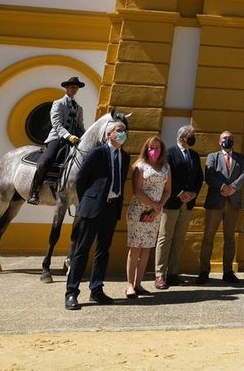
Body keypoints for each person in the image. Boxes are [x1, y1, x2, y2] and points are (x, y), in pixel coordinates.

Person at [64, 120, 129, 310]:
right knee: (82, 251)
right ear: (109, 134)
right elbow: (81, 179)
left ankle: (96, 289)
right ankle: (71, 292)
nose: (123, 133)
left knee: (103, 251)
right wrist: (89, 199)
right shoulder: (97, 153)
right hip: (92, 207)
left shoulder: (124, 157)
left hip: (111, 208)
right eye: (119, 130)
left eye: (124, 131)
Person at [154, 124, 203, 289]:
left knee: (179, 239)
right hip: (172, 202)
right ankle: (160, 274)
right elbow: (166, 176)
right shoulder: (170, 153)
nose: (193, 138)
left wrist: (193, 193)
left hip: (187, 204)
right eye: (191, 135)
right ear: (182, 137)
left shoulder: (194, 155)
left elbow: (199, 178)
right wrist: (179, 192)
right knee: (165, 237)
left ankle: (173, 273)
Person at [125, 136, 171, 299]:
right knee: (135, 248)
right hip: (139, 211)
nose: (154, 151)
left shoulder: (165, 167)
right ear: (146, 149)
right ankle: (130, 285)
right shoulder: (140, 166)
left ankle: (138, 283)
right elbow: (137, 191)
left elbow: (167, 190)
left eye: (157, 148)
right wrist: (154, 205)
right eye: (151, 147)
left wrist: (158, 208)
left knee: (146, 249)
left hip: (155, 213)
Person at [198, 130, 244, 284]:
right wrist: (222, 187)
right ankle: (204, 271)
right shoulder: (213, 157)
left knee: (230, 238)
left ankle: (228, 271)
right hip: (215, 202)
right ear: (220, 141)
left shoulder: (240, 158)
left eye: (231, 138)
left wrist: (232, 188)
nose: (228, 140)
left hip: (232, 203)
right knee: (208, 237)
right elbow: (209, 176)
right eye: (225, 138)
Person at [28, 76, 86, 205]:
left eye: (76, 87)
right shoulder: (58, 103)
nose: (74, 89)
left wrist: (85, 137)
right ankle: (34, 191)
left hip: (73, 140)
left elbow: (81, 126)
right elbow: (56, 123)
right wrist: (68, 136)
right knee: (45, 161)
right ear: (66, 88)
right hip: (58, 138)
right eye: (72, 87)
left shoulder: (79, 108)